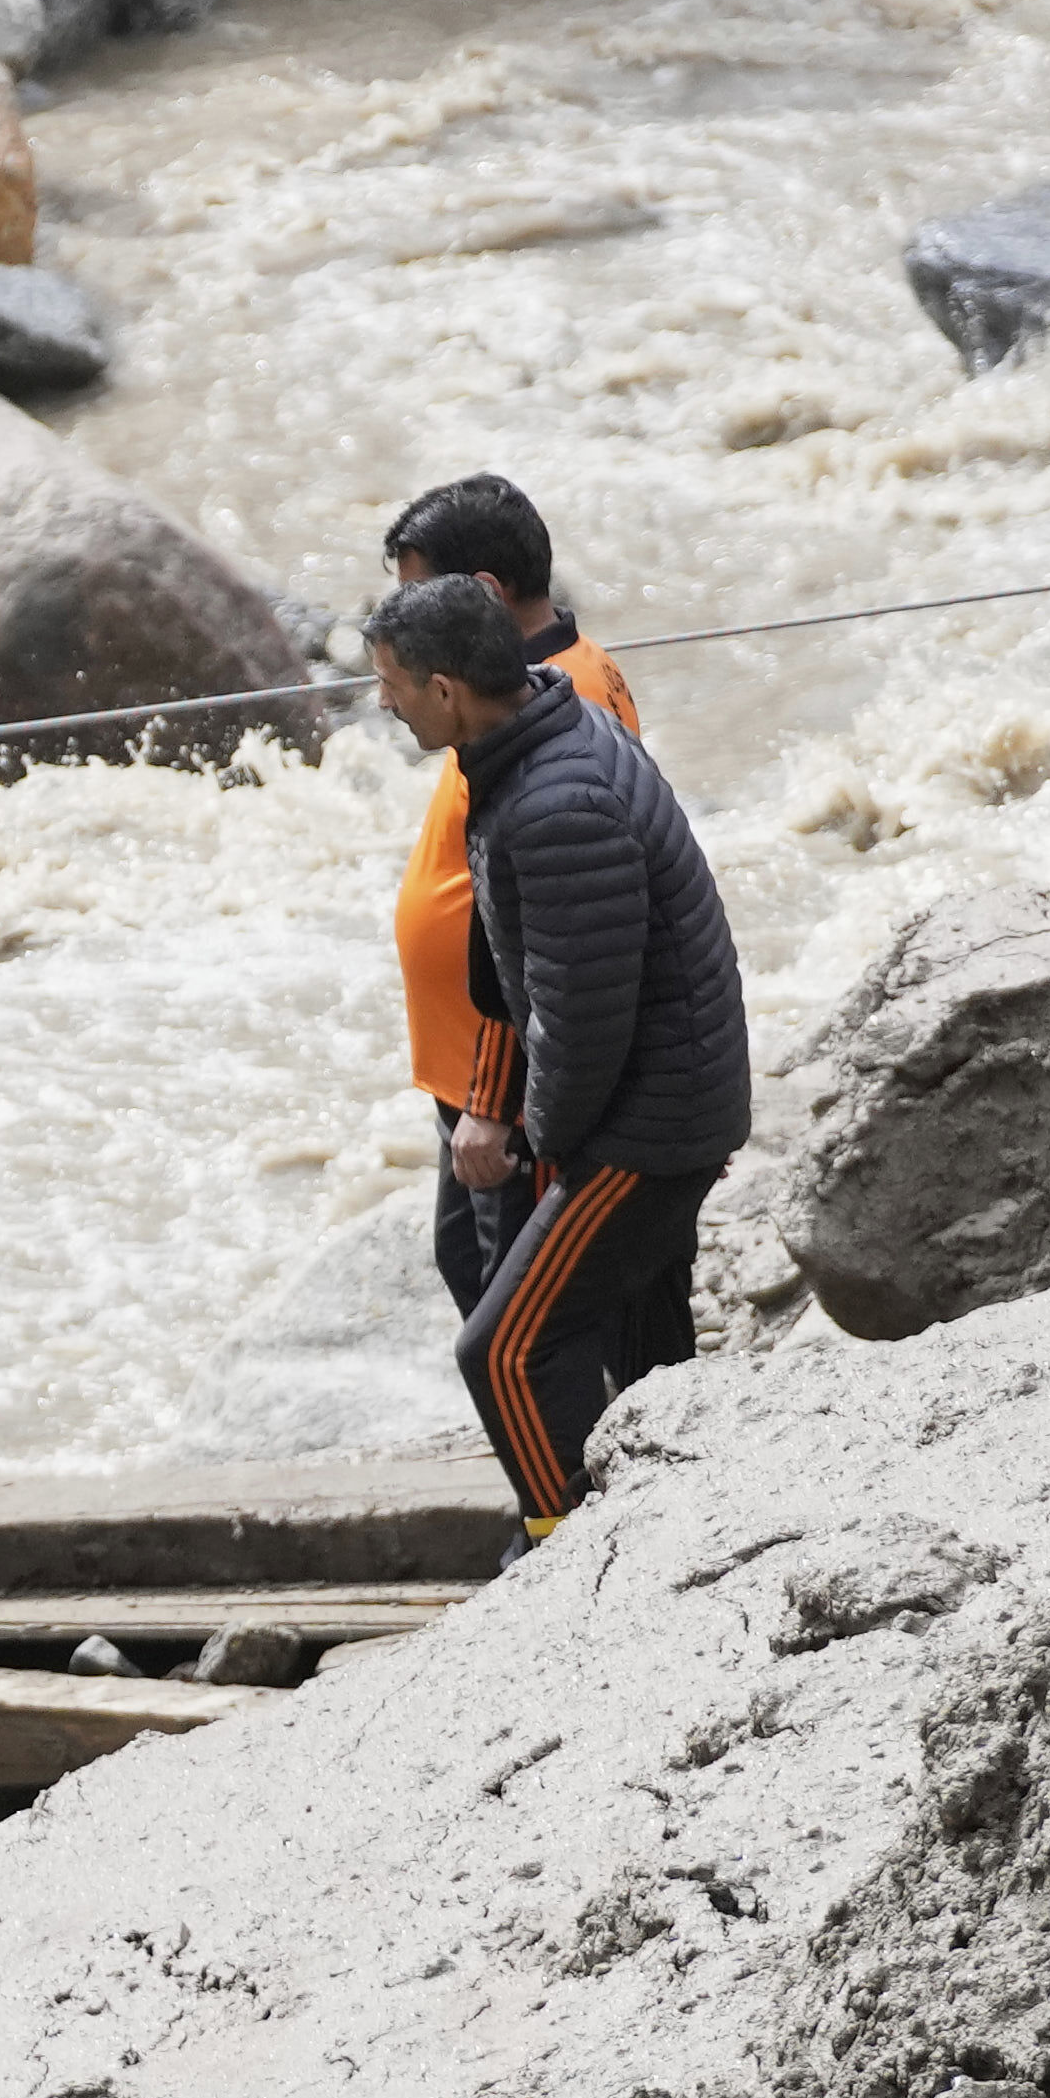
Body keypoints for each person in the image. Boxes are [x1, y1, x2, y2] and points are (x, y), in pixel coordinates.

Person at [371, 569, 746, 1532]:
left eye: (393, 683)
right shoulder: (535, 736)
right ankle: (679, 1517)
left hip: (651, 1122)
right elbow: (511, 975)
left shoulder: (554, 806)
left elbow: (582, 1024)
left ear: (446, 690)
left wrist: (539, 1145)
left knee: (505, 1349)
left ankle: (568, 1548)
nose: (383, 701)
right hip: (666, 1095)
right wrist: (499, 1102)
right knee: (638, 1331)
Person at [375, 471, 643, 1338]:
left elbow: (537, 931)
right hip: (471, 1066)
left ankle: (582, 1474)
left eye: (416, 597)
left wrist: (495, 1099)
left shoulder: (560, 698)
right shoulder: (513, 689)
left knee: (528, 1323)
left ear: (482, 593)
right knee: (475, 1269)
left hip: (512, 1080)